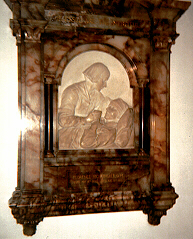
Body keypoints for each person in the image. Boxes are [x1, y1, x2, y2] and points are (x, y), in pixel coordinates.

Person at [58, 62, 111, 149]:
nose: (105, 85)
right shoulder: (72, 92)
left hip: (87, 135)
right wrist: (85, 120)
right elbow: (63, 120)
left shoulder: (99, 97)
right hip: (69, 137)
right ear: (96, 78)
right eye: (104, 80)